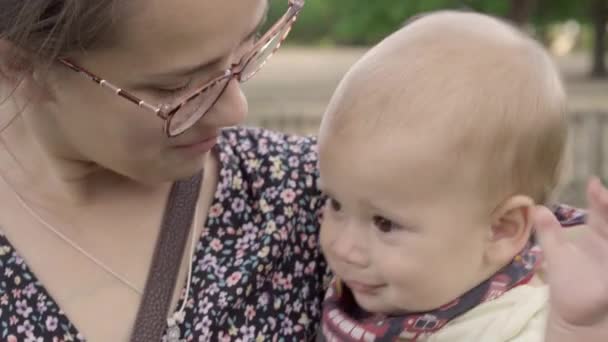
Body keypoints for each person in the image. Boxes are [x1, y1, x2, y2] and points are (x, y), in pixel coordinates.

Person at [0, 1, 604, 341]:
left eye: (249, 51)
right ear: (19, 64)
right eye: (176, 87)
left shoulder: (313, 193)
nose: (237, 109)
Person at [316, 11, 607, 342]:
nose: (342, 247)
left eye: (385, 223)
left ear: (501, 229)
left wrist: (574, 332)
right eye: (335, 203)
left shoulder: (520, 325)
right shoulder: (391, 290)